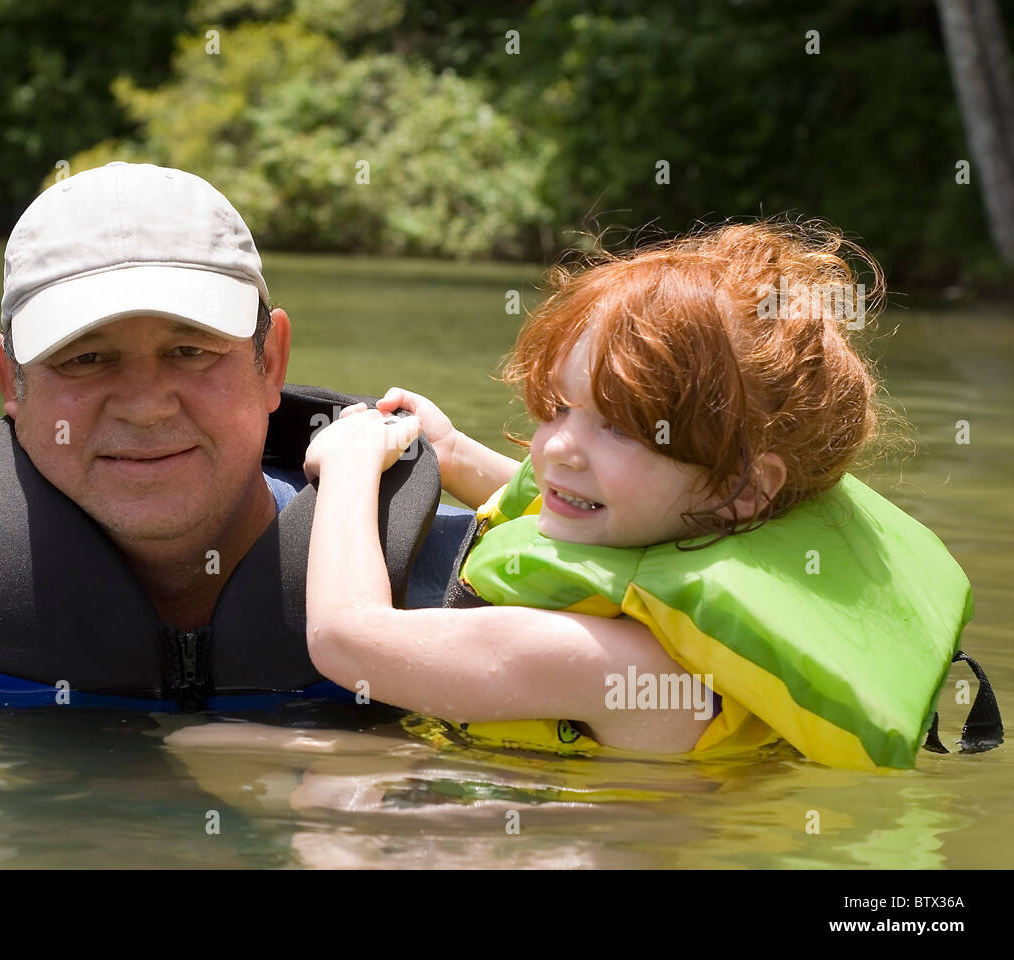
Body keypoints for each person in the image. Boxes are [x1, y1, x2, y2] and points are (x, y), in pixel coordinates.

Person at [0, 162, 473, 711]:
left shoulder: (461, 593)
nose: (144, 406)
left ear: (269, 361)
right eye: (86, 358)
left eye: (190, 351)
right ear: (9, 382)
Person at [302, 221, 993, 771]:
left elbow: (347, 639)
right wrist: (452, 455)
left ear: (746, 490)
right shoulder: (728, 537)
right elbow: (619, 516)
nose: (558, 450)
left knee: (259, 765)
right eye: (556, 408)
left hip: (553, 838)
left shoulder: (594, 659)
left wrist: (350, 466)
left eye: (622, 431)